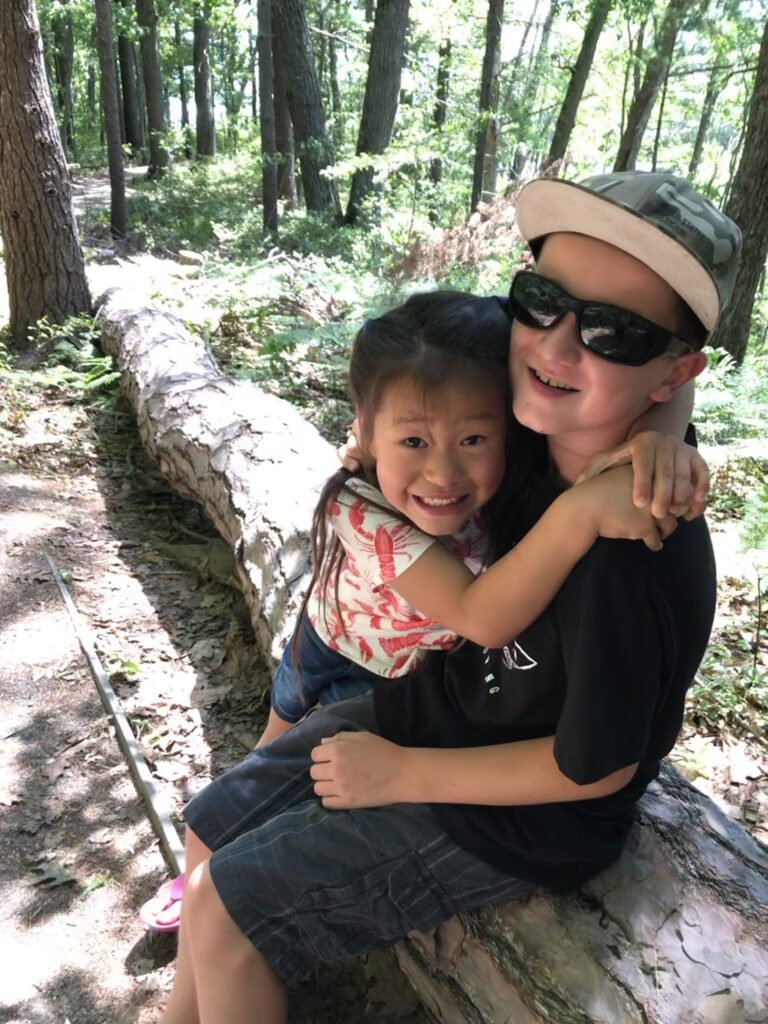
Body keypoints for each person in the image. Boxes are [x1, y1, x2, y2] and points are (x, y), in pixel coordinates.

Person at [157, 171, 742, 1024]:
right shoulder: (535, 421)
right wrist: (660, 429)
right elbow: (422, 372)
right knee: (213, 828)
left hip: (520, 818)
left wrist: (403, 773)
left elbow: (598, 767)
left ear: (670, 368)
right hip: (440, 710)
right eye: (542, 300)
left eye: (615, 331)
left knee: (231, 910)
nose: (559, 345)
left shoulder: (630, 555)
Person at [142, 287, 694, 932]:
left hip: (400, 664)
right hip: (331, 633)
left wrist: (659, 436)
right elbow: (480, 617)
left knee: (316, 782)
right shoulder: (361, 505)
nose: (443, 472)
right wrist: (580, 510)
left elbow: (667, 374)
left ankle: (231, 883)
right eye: (412, 440)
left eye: (472, 437)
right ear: (364, 428)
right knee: (273, 744)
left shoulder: (516, 436)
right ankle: (205, 874)